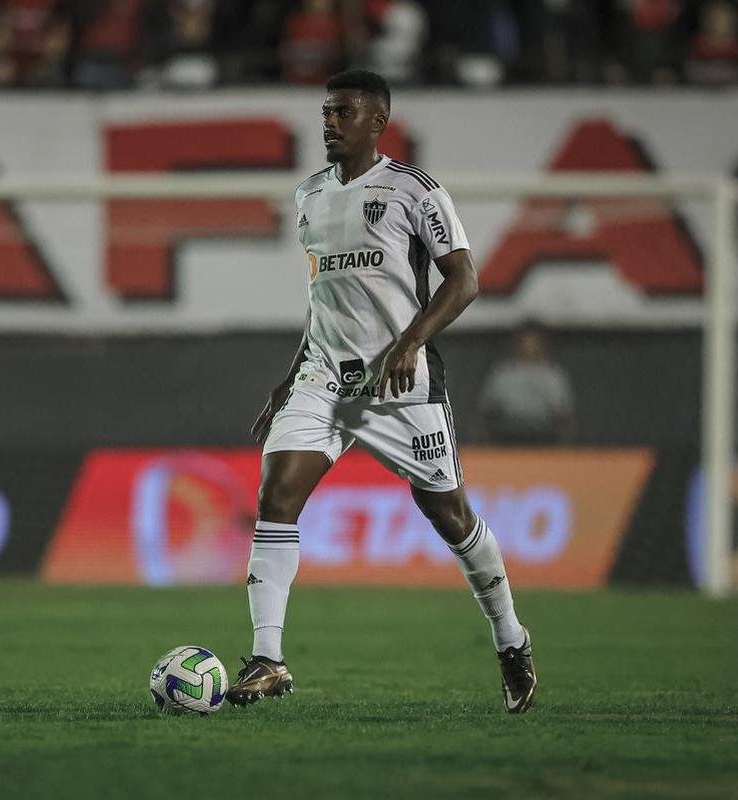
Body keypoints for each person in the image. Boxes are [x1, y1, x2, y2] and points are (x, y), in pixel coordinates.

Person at [228, 69, 536, 714]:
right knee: (277, 495)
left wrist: (409, 343)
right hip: (324, 378)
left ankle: (510, 636)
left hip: (402, 384)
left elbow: (464, 281)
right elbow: (323, 301)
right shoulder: (308, 195)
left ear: (377, 122)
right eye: (325, 111)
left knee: (450, 517)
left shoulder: (413, 190)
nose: (329, 123)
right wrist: (289, 377)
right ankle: (267, 658)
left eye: (343, 112)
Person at [477, 322, 575, 444]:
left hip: (545, 438)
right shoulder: (503, 374)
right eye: (526, 342)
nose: (529, 347)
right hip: (507, 437)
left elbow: (565, 416)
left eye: (534, 342)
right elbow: (486, 412)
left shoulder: (553, 375)